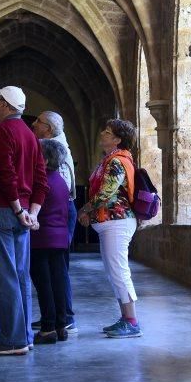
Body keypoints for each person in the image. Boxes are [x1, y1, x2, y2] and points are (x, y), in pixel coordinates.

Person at [0, 86, 48, 355]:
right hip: (22, 213)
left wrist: (20, 211)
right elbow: (40, 178)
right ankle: (24, 335)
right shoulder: (29, 135)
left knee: (4, 275)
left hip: (2, 209)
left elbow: (5, 174)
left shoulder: (2, 132)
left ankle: (12, 339)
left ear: (6, 105)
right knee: (19, 275)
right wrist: (33, 214)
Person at [78, 119, 142, 339]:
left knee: (119, 271)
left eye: (107, 132)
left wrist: (85, 210)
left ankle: (132, 322)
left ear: (116, 139)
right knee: (114, 271)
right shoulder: (109, 159)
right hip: (111, 223)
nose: (102, 134)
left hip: (117, 221)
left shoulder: (117, 161)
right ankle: (125, 318)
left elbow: (107, 192)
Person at [31, 111, 77, 333]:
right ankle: (60, 322)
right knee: (57, 278)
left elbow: (41, 207)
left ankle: (50, 325)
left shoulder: (44, 181)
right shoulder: (59, 180)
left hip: (43, 238)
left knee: (44, 282)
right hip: (57, 238)